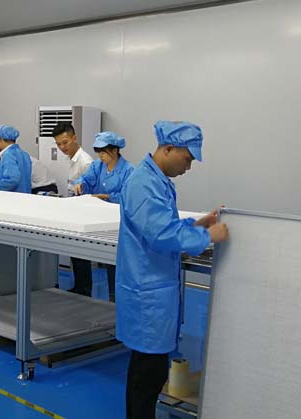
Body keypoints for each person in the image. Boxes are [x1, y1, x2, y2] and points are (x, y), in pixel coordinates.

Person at [116, 120, 229, 419]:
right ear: (168, 149)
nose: (188, 167)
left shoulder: (156, 181)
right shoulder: (143, 183)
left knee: (148, 372)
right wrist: (207, 237)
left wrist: (196, 225)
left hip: (153, 287)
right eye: (187, 159)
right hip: (147, 292)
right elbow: (160, 234)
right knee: (147, 376)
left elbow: (162, 224)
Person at [73, 131, 134, 301]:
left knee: (114, 261)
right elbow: (86, 179)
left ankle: (115, 298)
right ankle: (83, 289)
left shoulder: (128, 170)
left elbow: (128, 197)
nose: (100, 156)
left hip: (116, 222)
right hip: (95, 218)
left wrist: (106, 197)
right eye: (98, 152)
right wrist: (80, 185)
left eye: (103, 152)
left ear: (115, 150)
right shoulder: (97, 166)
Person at [52, 122, 94, 297]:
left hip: (84, 212)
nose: (62, 147)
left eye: (65, 142)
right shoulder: (71, 159)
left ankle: (84, 289)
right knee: (75, 252)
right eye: (58, 144)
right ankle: (79, 286)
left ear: (74, 138)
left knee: (81, 254)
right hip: (74, 210)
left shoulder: (85, 162)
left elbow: (90, 190)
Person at [0, 125, 32, 193]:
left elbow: (12, 179)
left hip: (12, 197)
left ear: (0, 139)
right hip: (25, 195)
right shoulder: (24, 154)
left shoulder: (8, 155)